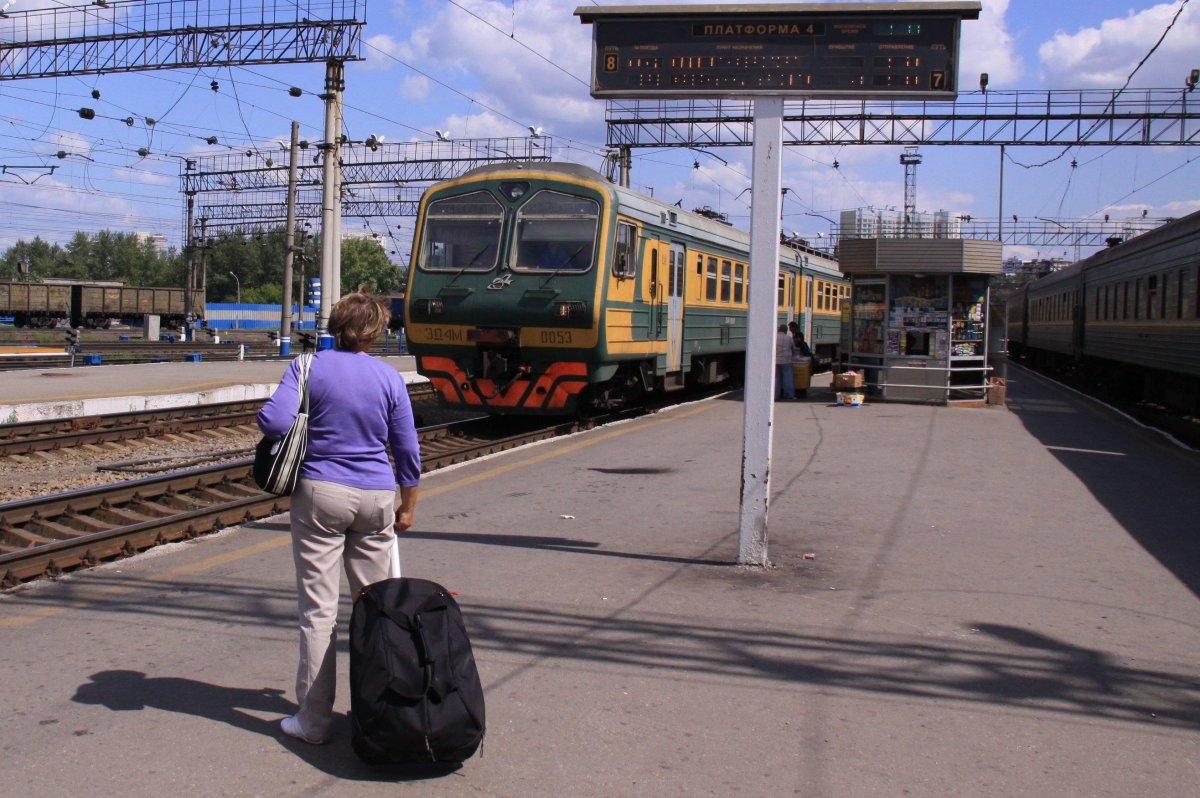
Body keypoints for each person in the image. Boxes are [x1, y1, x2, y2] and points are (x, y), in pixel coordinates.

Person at [257, 291, 422, 746]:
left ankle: (313, 723)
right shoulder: (389, 377)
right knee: (380, 608)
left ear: (335, 326)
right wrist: (408, 504)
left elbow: (274, 423)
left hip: (321, 496)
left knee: (319, 611)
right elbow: (407, 448)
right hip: (376, 497)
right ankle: (386, 713)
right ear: (377, 332)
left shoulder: (308, 367)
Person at [775, 324, 796, 401]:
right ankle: (789, 395)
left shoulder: (774, 337)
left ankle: (775, 395)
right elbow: (793, 348)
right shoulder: (789, 338)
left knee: (776, 378)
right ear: (786, 331)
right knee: (787, 378)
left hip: (776, 361)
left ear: (779, 330)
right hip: (786, 360)